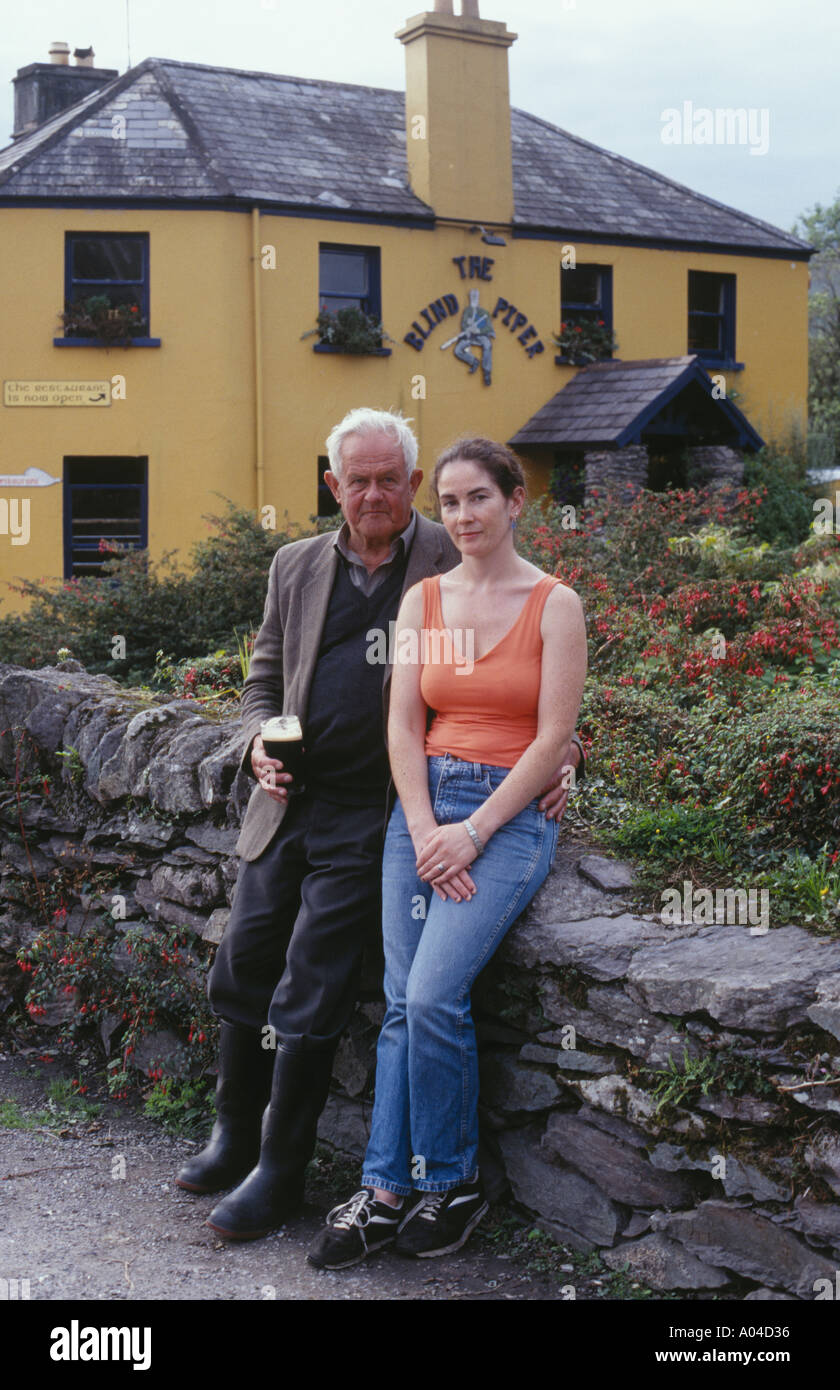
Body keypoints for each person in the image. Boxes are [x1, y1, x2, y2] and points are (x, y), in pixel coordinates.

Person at [174, 409, 587, 1241]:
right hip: (292, 796)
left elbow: (529, 683)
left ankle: (282, 1171)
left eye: (389, 479)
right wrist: (257, 740)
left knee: (320, 970)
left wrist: (570, 750)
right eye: (355, 480)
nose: (373, 494)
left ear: (411, 485)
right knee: (247, 956)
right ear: (333, 486)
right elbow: (261, 680)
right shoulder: (295, 564)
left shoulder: (448, 552)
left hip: (384, 808)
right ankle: (234, 1134)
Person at [308, 435, 588, 1269]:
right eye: (453, 502)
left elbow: (554, 739)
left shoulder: (554, 604)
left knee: (431, 995)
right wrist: (428, 826)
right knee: (399, 1001)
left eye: (480, 499)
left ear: (515, 502)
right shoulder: (424, 601)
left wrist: (472, 831)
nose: (463, 516)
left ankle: (453, 1180)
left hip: (507, 818)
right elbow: (403, 724)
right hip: (421, 811)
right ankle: (386, 1189)